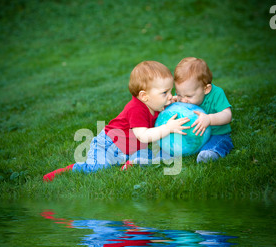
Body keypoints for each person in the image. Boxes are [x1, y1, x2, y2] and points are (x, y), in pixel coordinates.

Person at [43, 61, 190, 181]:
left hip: (132, 149)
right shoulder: (136, 108)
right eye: (165, 93)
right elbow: (144, 136)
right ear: (144, 96)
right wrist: (168, 128)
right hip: (108, 145)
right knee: (97, 167)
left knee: (160, 156)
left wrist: (175, 104)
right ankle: (70, 170)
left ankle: (133, 162)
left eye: (170, 91)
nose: (170, 96)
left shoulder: (156, 103)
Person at [173, 57, 233, 163]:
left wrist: (209, 119)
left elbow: (227, 115)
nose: (183, 100)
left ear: (206, 89)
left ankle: (210, 153)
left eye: (189, 96)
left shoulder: (216, 94)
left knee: (217, 143)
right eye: (179, 94)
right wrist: (172, 103)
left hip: (215, 134)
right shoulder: (183, 97)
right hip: (193, 135)